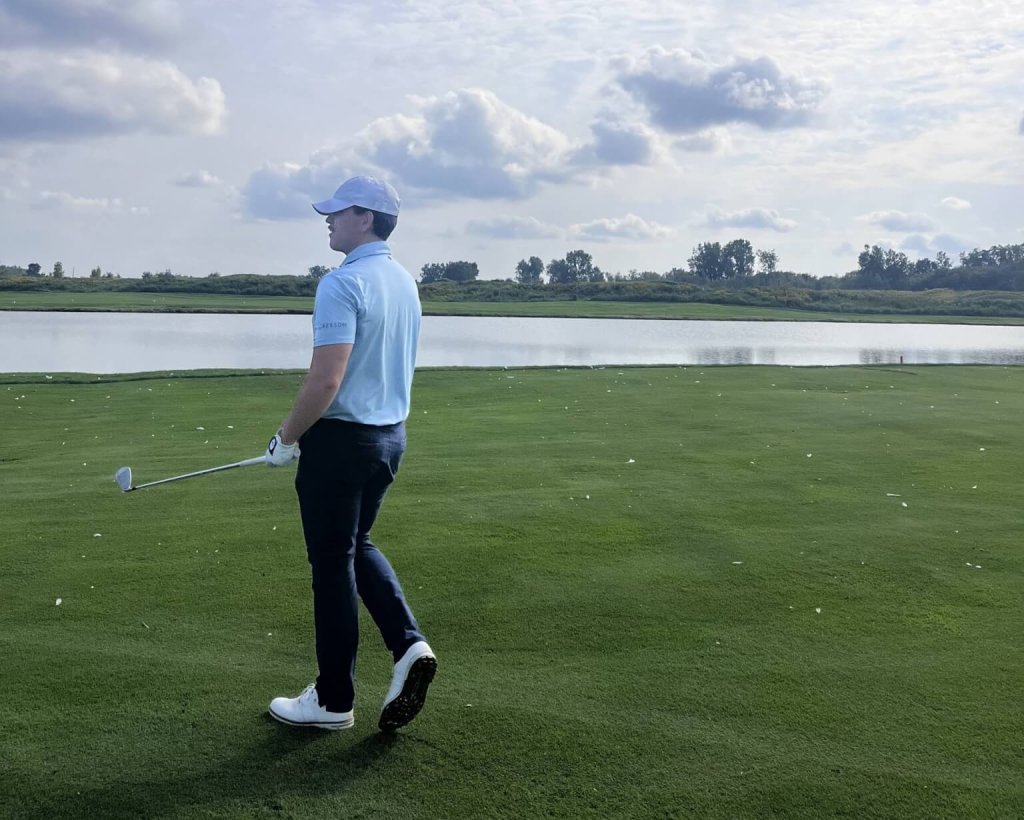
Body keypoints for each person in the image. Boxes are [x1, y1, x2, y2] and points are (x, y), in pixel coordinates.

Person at [264, 176, 436, 733]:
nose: (329, 220)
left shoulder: (342, 283)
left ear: (365, 218)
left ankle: (334, 699)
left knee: (332, 564)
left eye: (338, 212)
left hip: (341, 443)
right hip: (390, 439)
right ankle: (409, 645)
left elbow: (326, 380)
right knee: (356, 543)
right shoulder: (404, 281)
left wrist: (287, 437)